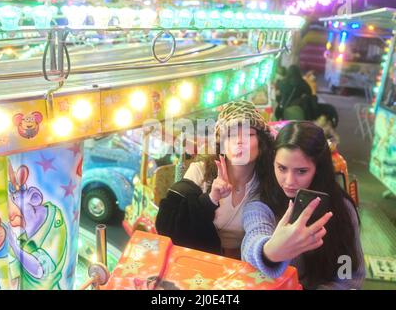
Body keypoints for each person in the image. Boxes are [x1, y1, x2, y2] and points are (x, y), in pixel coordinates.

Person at [241, 121, 365, 289]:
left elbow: (350, 276)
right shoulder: (262, 201)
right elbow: (253, 238)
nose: (289, 181)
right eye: (282, 168)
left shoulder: (341, 209)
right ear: (273, 163)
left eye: (301, 171)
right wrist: (269, 251)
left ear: (318, 169)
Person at [156, 100, 277, 259]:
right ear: (222, 143)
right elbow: (164, 226)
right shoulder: (201, 171)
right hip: (201, 263)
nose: (239, 141)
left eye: (249, 134)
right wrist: (210, 199)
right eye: (231, 135)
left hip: (245, 267)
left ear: (262, 143)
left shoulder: (268, 180)